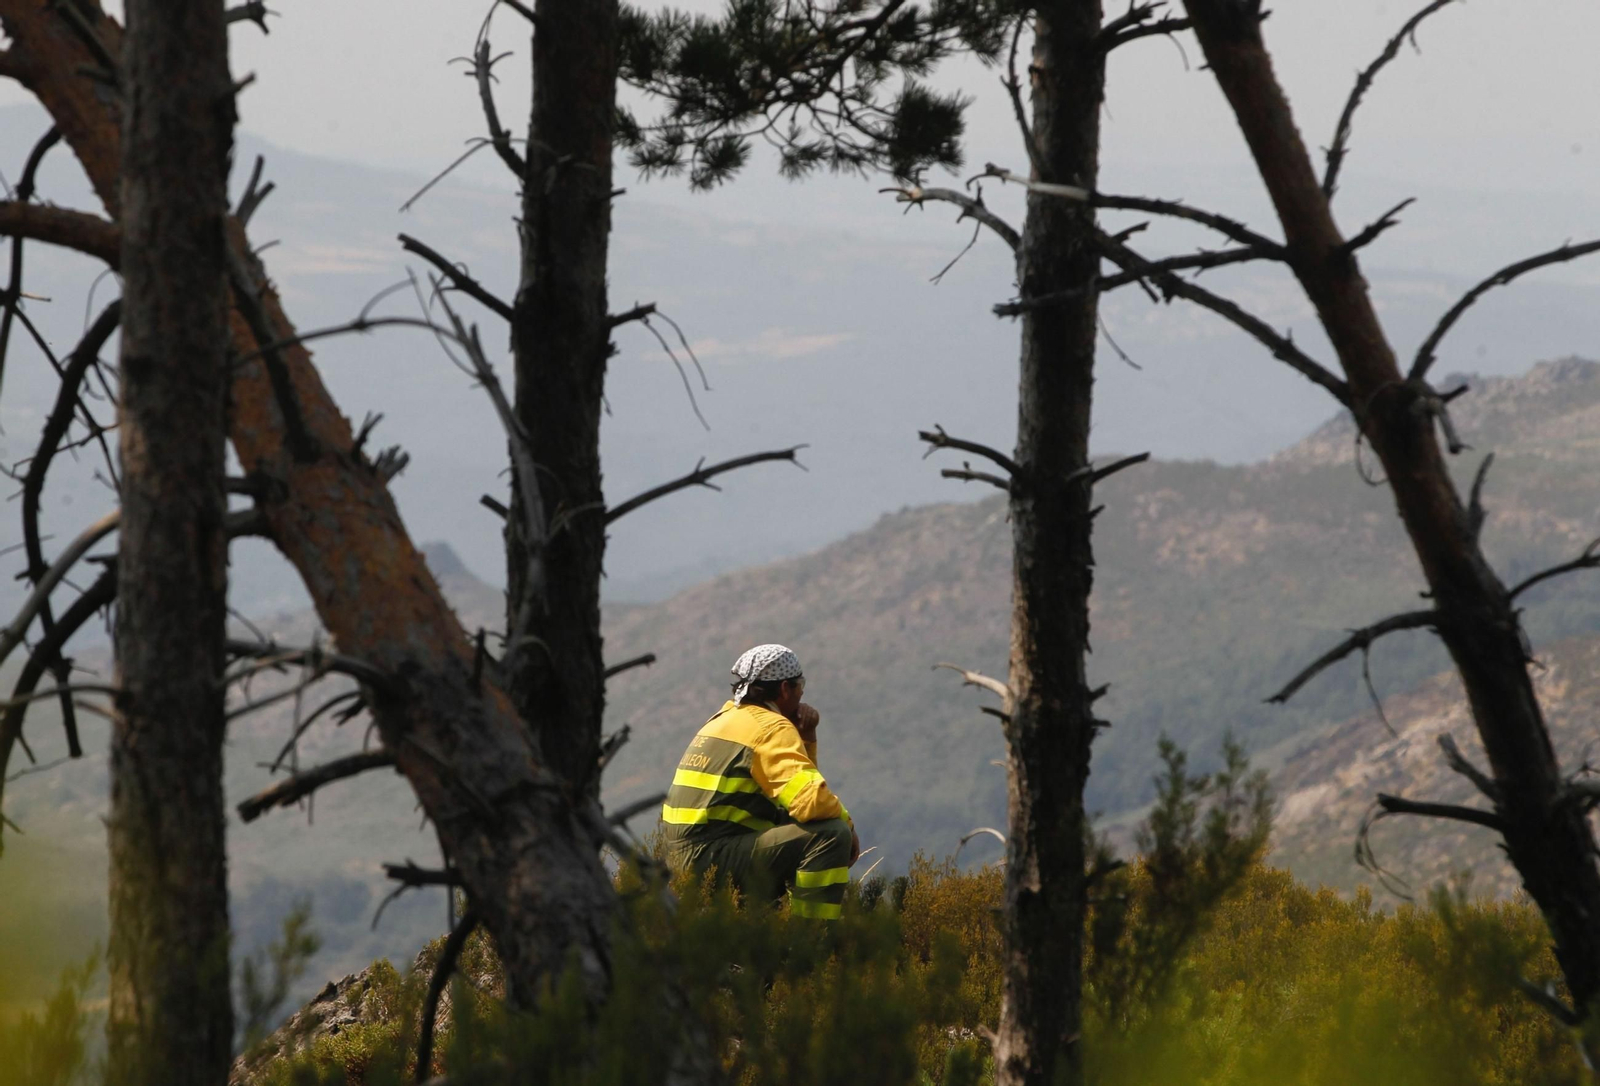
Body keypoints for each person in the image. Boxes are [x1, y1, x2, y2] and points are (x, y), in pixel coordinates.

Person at [661, 644, 859, 919]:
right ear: (785, 689)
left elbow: (794, 796)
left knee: (786, 817)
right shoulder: (770, 728)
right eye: (801, 685)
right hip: (709, 860)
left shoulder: (724, 719)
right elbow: (811, 803)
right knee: (832, 834)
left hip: (682, 863)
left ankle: (767, 921)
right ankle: (813, 942)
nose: (803, 694)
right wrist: (848, 826)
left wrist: (806, 738)